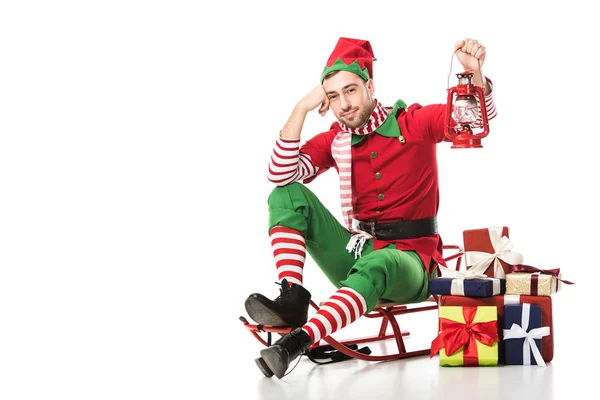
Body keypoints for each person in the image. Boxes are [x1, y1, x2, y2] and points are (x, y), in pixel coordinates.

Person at [244, 37, 497, 379]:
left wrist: (475, 76)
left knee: (379, 263)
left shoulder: (413, 122)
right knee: (286, 195)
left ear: (370, 86)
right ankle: (292, 298)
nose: (344, 104)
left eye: (350, 91)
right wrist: (302, 108)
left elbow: (476, 118)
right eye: (333, 96)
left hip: (413, 262)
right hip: (357, 252)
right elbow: (280, 173)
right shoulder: (337, 140)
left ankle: (294, 344)